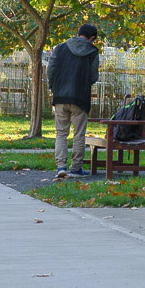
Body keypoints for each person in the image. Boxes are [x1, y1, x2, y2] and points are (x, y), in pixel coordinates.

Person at [46, 24, 101, 179]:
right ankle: (76, 168)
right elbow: (93, 76)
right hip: (80, 97)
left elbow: (50, 69)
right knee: (79, 134)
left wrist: (53, 86)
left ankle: (60, 167)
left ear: (78, 33)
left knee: (61, 133)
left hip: (60, 96)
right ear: (92, 38)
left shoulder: (60, 47)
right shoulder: (92, 51)